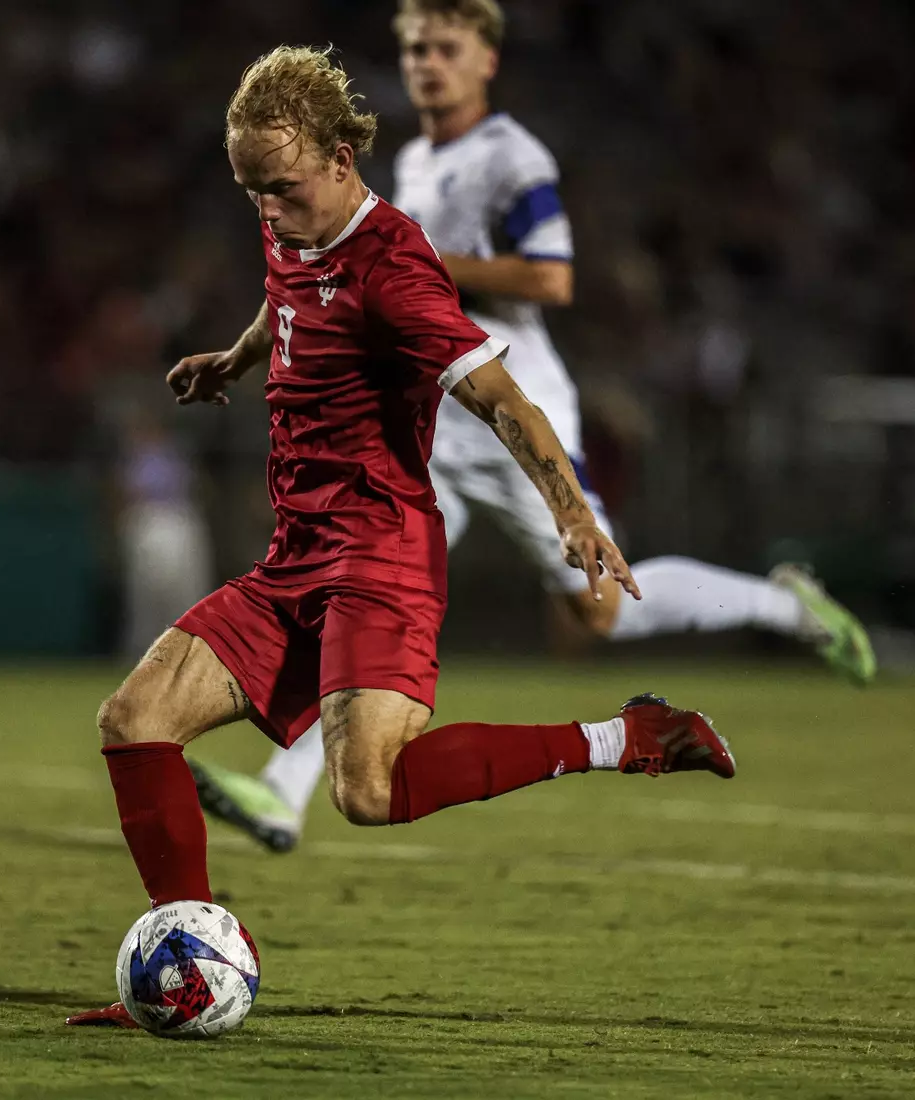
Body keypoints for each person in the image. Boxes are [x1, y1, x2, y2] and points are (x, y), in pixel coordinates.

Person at [67, 44, 733, 1029]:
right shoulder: (291, 220)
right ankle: (181, 963)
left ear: (342, 156)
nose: (268, 211)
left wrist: (572, 508)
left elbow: (500, 397)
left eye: (283, 189)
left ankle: (627, 735)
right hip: (295, 555)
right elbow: (286, 286)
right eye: (251, 191)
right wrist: (240, 357)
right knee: (134, 719)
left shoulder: (395, 265)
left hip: (379, 556)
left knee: (368, 792)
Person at [189, 0, 876, 853]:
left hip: (509, 398)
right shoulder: (411, 160)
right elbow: (318, 277)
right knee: (357, 578)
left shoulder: (515, 158)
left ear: (487, 60)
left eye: (446, 48)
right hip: (434, 410)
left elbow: (551, 279)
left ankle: (784, 607)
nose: (426, 64)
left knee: (600, 615)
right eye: (413, 49)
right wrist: (244, 352)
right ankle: (283, 796)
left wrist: (420, 259)